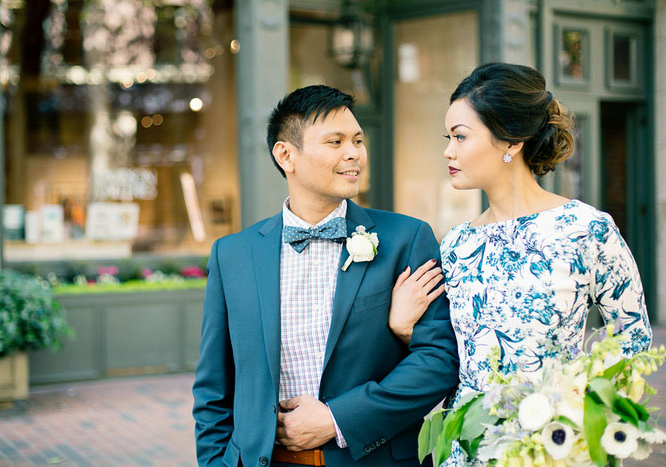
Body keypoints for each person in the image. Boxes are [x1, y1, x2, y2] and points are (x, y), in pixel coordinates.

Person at [387, 63, 653, 465]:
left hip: (553, 449)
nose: (448, 150)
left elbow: (633, 341)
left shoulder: (585, 229)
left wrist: (581, 419)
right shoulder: (458, 244)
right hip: (466, 451)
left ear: (510, 142)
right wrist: (405, 329)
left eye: (460, 137)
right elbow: (451, 355)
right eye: (448, 137)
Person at [192, 84, 459, 467]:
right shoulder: (233, 254)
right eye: (335, 142)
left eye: (357, 140)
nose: (354, 154)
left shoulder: (406, 239)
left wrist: (337, 419)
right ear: (286, 155)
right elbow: (213, 388)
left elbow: (439, 360)